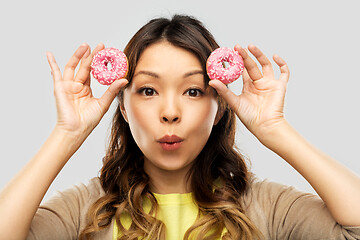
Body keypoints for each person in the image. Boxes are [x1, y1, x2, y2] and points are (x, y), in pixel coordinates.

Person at [0, 14, 360, 240]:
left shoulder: (266, 206)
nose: (170, 112)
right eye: (147, 90)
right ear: (122, 106)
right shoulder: (88, 209)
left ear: (218, 107)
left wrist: (275, 128)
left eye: (192, 91)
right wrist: (66, 134)